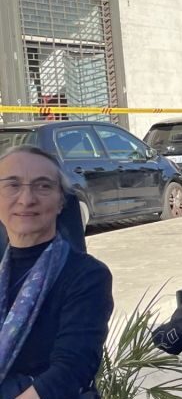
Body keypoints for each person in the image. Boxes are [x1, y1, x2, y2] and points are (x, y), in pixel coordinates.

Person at [0, 146, 113, 398]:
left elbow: (71, 370)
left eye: (43, 186)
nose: (27, 199)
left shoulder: (87, 276)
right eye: (12, 185)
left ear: (61, 201)